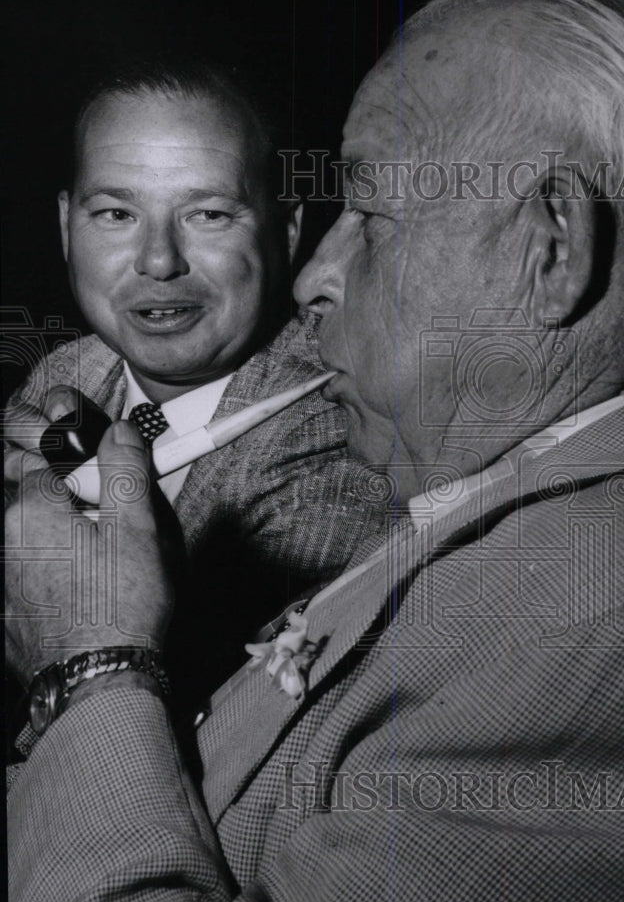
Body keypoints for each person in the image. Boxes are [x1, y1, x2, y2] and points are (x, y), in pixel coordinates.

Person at [6, 0, 624, 902]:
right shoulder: (515, 516)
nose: (311, 280)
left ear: (552, 247)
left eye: (370, 215)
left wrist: (89, 661)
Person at [4, 64, 386, 729]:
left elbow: (226, 733)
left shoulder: (340, 435)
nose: (158, 261)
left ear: (286, 233)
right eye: (117, 213)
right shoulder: (65, 373)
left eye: (208, 214)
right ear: (68, 226)